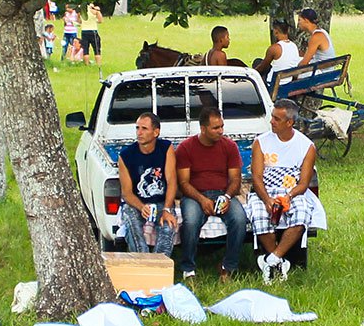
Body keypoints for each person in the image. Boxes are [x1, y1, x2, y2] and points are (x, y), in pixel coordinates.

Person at [245, 99, 322, 284]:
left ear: (290, 122)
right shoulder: (261, 142)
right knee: (258, 214)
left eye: (276, 119)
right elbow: (256, 177)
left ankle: (272, 259)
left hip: (292, 192)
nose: (271, 121)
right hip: (265, 191)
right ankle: (280, 263)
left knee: (302, 213)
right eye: (272, 117)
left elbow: (303, 183)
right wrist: (267, 199)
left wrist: (287, 197)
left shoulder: (306, 146)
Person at [175, 108, 249, 283]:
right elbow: (184, 183)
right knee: (191, 221)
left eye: (222, 126)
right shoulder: (186, 147)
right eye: (216, 128)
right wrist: (202, 200)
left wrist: (227, 197)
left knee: (239, 219)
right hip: (195, 195)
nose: (221, 131)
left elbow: (235, 179)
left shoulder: (230, 146)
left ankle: (228, 267)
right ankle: (188, 269)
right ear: (203, 129)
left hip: (223, 193)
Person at [117, 113, 178, 254]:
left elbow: (172, 181)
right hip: (136, 203)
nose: (139, 132)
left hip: (161, 202)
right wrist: (141, 206)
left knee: (168, 228)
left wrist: (167, 210)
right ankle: (142, 261)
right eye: (137, 128)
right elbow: (126, 193)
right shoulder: (126, 156)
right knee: (132, 225)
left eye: (144, 128)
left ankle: (160, 265)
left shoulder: (166, 148)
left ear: (156, 132)